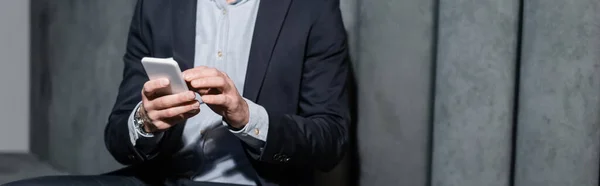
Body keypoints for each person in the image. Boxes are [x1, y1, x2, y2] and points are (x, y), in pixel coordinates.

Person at [6, 0, 350, 185]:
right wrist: (143, 121)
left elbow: (331, 139)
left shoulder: (313, 8)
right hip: (160, 178)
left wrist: (248, 117)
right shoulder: (157, 6)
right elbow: (117, 139)